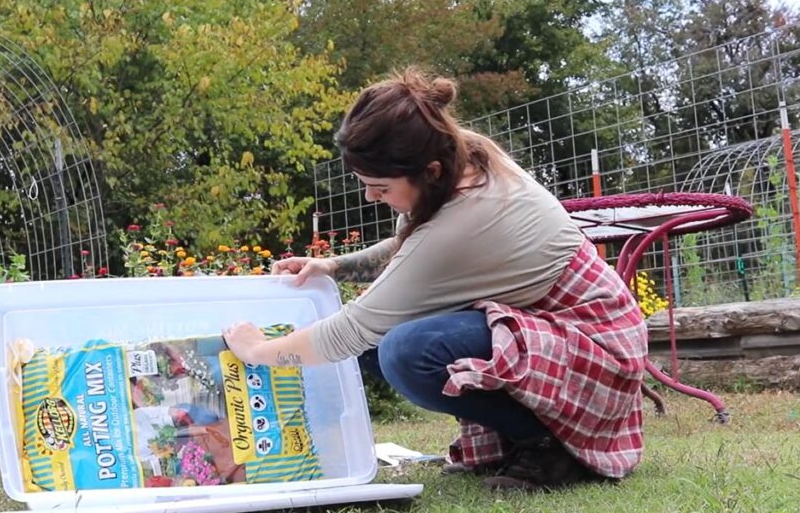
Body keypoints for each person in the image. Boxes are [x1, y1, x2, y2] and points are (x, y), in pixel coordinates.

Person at [222, 67, 647, 491]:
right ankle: (514, 438)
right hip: (544, 325)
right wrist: (335, 266)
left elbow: (349, 332)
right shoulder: (463, 158)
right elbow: (412, 248)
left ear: (429, 171)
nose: (371, 197)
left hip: (596, 342)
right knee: (385, 344)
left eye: (380, 187)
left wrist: (258, 351)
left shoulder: (468, 215)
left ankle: (548, 446)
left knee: (405, 351)